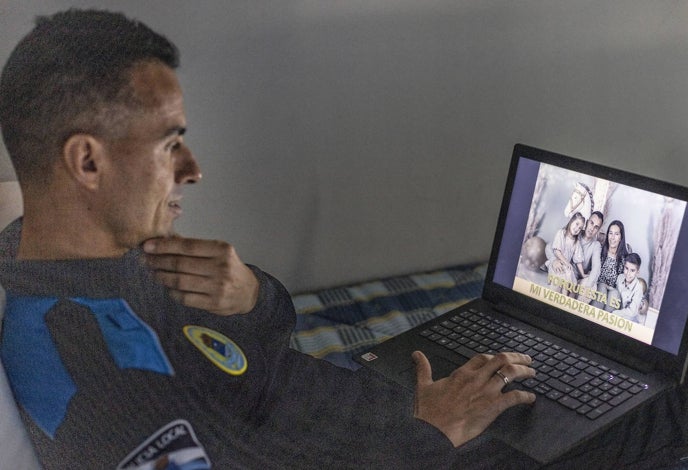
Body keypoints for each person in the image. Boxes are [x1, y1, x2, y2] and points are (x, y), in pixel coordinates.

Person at [0, 10, 536, 469]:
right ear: (88, 161)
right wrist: (430, 434)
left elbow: (256, 355)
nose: (191, 170)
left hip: (385, 414)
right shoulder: (93, 374)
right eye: (169, 145)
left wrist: (251, 297)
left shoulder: (112, 260)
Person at [592, 220, 629, 312]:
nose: (612, 237)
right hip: (598, 286)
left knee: (615, 295)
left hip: (613, 289)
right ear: (607, 235)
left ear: (621, 237)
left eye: (616, 234)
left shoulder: (625, 259)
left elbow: (624, 283)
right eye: (610, 233)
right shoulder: (599, 251)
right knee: (602, 290)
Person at [545, 212, 586, 294]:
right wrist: (567, 263)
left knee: (568, 277)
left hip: (566, 266)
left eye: (580, 228)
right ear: (571, 221)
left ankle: (564, 296)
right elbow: (557, 251)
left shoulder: (576, 242)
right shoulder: (561, 233)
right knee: (561, 277)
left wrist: (583, 274)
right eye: (576, 224)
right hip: (557, 263)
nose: (577, 229)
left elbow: (578, 261)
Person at [575, 211, 604, 303]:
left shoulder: (596, 245)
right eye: (591, 223)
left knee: (592, 286)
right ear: (587, 222)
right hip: (566, 273)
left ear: (598, 230)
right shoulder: (575, 231)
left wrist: (588, 286)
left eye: (596, 227)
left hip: (580, 279)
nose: (592, 228)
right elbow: (551, 246)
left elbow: (596, 267)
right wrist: (553, 260)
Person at [612, 253, 645, 324]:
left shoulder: (638, 289)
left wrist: (613, 313)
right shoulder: (620, 277)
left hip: (628, 320)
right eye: (626, 268)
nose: (628, 273)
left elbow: (632, 312)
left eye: (632, 270)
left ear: (637, 272)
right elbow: (615, 293)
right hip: (616, 310)